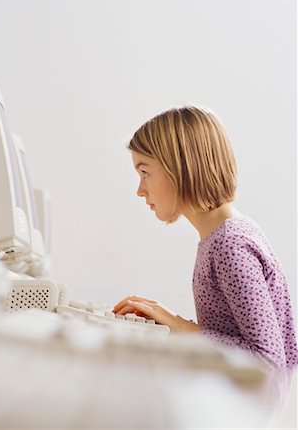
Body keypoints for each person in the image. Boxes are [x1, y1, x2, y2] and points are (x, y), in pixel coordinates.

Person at [113, 105, 298, 370]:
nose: (140, 190)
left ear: (180, 167)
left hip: (250, 410)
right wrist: (172, 324)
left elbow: (267, 362)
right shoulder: (219, 238)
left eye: (145, 173)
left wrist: (179, 326)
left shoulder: (230, 244)